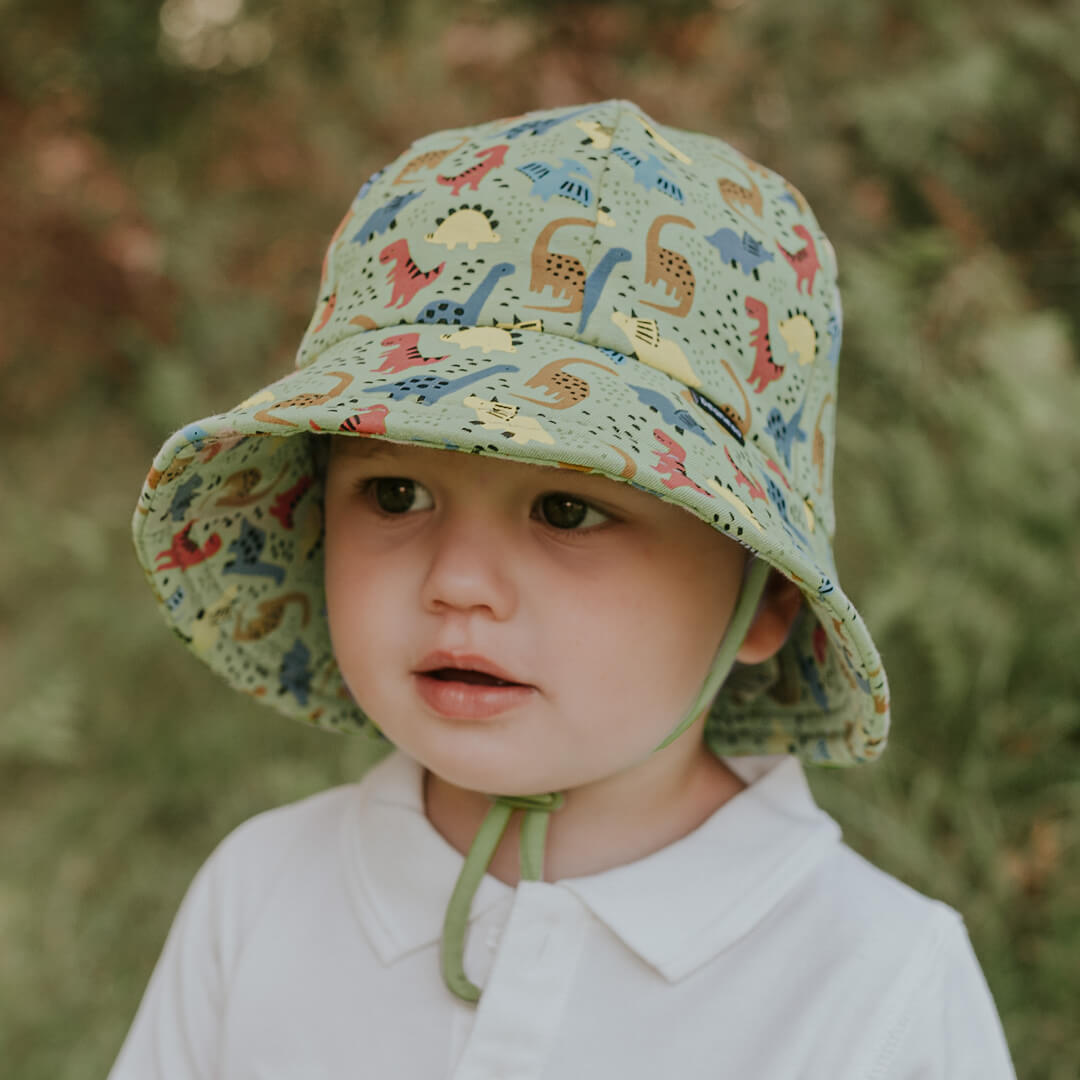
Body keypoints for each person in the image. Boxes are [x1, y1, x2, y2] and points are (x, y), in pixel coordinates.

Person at [112, 99, 1016, 1077]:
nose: (458, 582)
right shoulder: (262, 895)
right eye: (397, 492)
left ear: (766, 601)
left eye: (569, 512)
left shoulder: (871, 982)